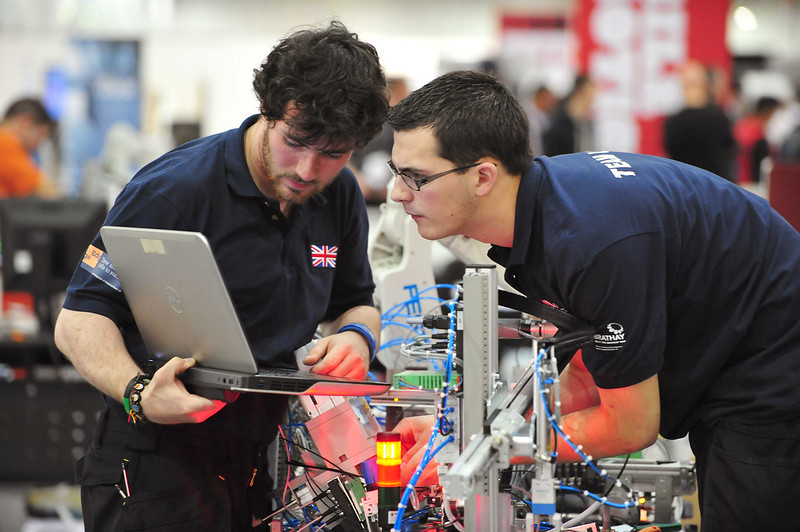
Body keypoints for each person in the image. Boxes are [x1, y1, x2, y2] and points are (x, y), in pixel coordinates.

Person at [386, 70, 800, 531]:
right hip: (737, 350)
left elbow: (631, 426)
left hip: (772, 376)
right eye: (396, 172)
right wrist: (464, 434)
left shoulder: (589, 242)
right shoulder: (551, 207)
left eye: (416, 177)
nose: (399, 193)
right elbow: (593, 366)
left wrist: (482, 447)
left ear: (483, 176)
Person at [53, 21, 388, 531]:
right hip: (156, 461)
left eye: (333, 154)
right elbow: (79, 320)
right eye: (295, 142)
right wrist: (138, 394)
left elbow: (356, 299)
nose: (306, 169)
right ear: (267, 111)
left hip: (261, 458)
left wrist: (357, 336)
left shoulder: (337, 195)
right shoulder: (175, 191)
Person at [663, 60, 737, 181]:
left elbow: (670, 151)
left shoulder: (674, 121)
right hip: (715, 184)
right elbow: (730, 148)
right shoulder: (719, 117)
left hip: (685, 184)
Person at [0, 97, 60, 197]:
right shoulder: (6, 144)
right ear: (26, 121)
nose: (38, 144)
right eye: (41, 135)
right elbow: (46, 191)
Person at [733, 95, 782, 185]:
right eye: (774, 113)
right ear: (768, 111)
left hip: (739, 178)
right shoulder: (755, 130)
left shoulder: (742, 124)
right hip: (749, 181)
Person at [542, 74, 596, 156]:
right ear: (581, 91)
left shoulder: (586, 119)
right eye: (590, 94)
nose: (592, 99)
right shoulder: (561, 114)